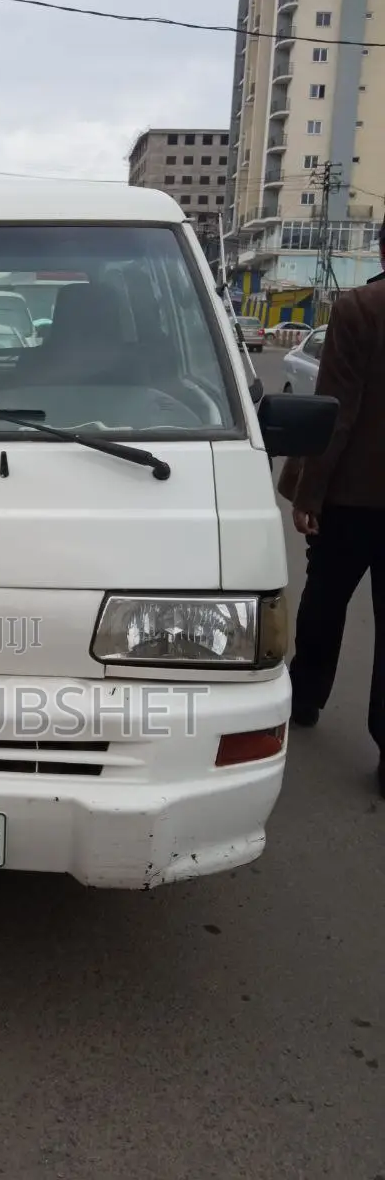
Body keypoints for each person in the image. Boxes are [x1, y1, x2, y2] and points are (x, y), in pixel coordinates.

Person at [278, 219, 385, 798]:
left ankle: (308, 698)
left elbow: (338, 409)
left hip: (352, 496)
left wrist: (310, 495)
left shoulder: (360, 308)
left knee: (326, 599)